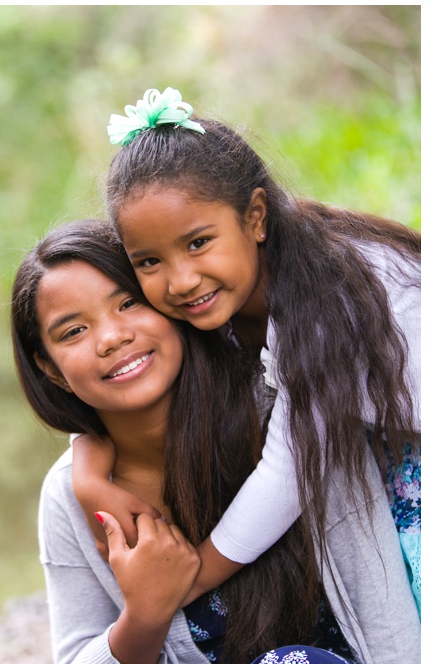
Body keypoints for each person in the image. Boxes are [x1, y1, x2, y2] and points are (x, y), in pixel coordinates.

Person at [11, 220, 418, 664]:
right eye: (74, 331)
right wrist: (145, 614)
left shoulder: (285, 413)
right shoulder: (68, 495)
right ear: (51, 369)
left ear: (169, 304)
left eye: (129, 303)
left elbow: (381, 590)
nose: (111, 337)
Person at [73, 87, 421, 614]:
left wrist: (186, 584)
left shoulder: (329, 298)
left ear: (255, 216)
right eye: (148, 262)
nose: (181, 280)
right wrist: (86, 466)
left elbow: (287, 471)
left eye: (197, 243)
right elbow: (137, 390)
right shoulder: (233, 305)